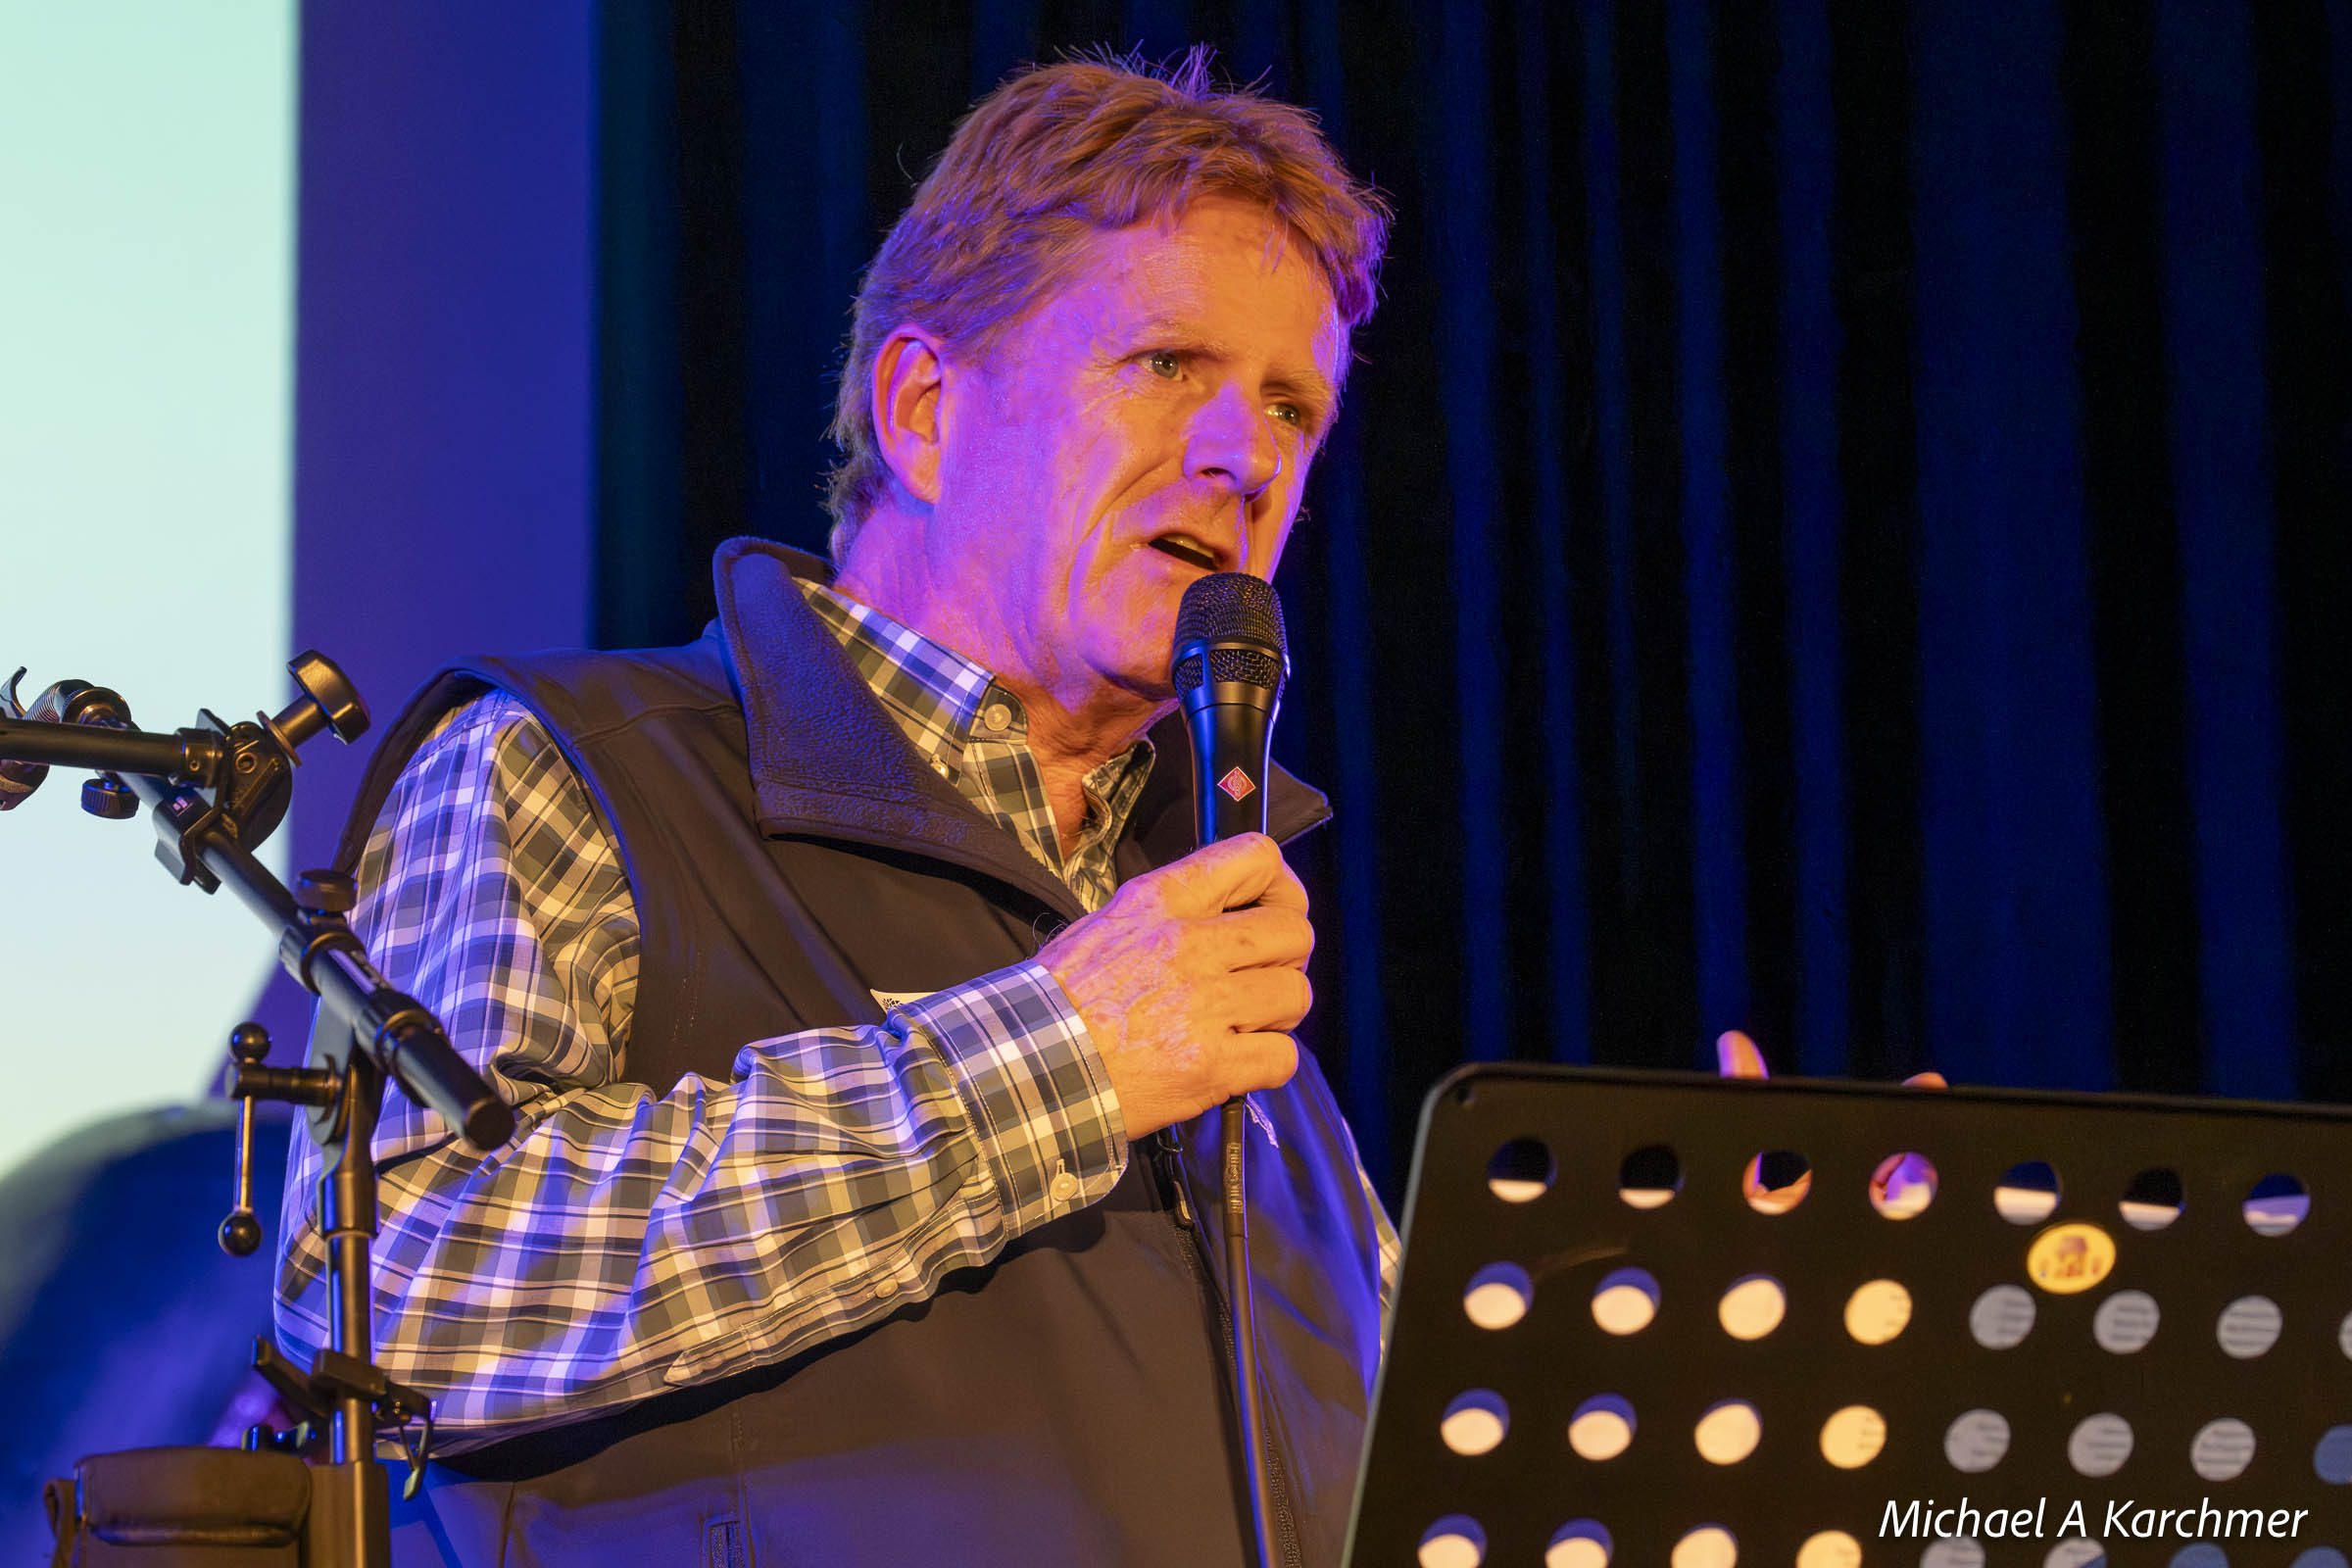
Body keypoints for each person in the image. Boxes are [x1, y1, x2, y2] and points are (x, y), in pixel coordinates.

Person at [273, 51, 1396, 1567]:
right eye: (1164, 366)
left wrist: (1665, 1317)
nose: (1245, 456)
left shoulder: (1204, 914)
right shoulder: (574, 768)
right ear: (924, 410)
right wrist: (1059, 1060)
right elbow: (401, 1289)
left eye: (1291, 407)